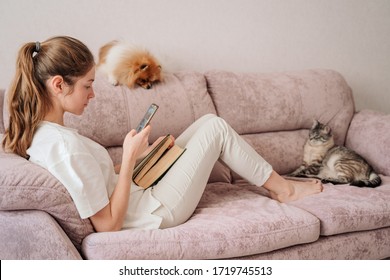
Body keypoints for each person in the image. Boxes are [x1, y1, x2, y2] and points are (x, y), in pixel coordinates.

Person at [2, 36, 323, 232]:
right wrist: (127, 159)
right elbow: (109, 226)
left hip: (141, 194)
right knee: (214, 128)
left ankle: (281, 187)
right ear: (59, 85)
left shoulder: (50, 137)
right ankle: (285, 190)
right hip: (151, 212)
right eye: (87, 85)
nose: (92, 94)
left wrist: (140, 158)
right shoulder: (63, 146)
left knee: (208, 122)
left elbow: (95, 181)